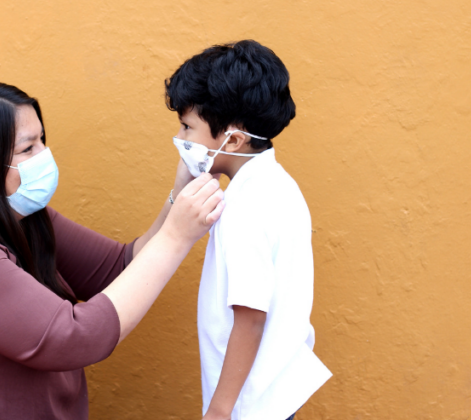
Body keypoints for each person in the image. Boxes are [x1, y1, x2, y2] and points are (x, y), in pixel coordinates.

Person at [0, 82, 224, 420]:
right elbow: (72, 338)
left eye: (42, 139)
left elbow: (119, 269)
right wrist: (176, 237)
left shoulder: (21, 216)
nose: (44, 155)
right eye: (28, 149)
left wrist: (178, 194)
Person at [165, 40, 332, 420]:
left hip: (248, 404)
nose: (181, 139)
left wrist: (220, 411)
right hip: (271, 391)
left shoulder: (246, 205)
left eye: (187, 126)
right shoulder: (275, 184)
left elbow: (251, 315)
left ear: (234, 139)